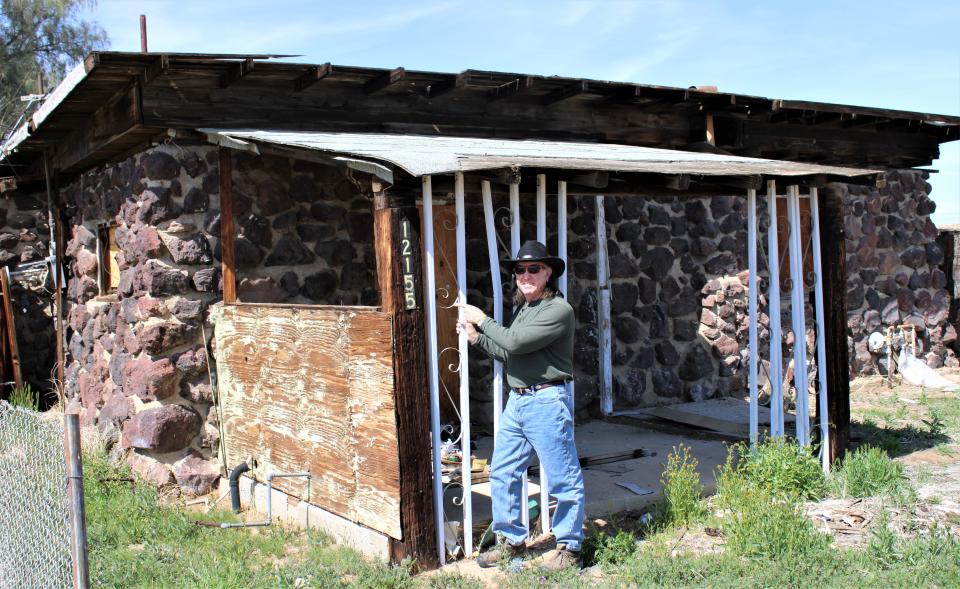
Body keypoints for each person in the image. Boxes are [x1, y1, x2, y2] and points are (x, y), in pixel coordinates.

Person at [456, 240, 585, 571]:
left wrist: (482, 320)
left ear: (548, 273)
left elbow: (514, 341)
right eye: (519, 270)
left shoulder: (559, 310)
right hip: (519, 401)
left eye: (533, 269)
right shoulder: (525, 310)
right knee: (503, 470)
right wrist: (477, 339)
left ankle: (570, 549)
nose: (525, 275)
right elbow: (510, 354)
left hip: (546, 400)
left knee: (562, 476)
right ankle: (511, 542)